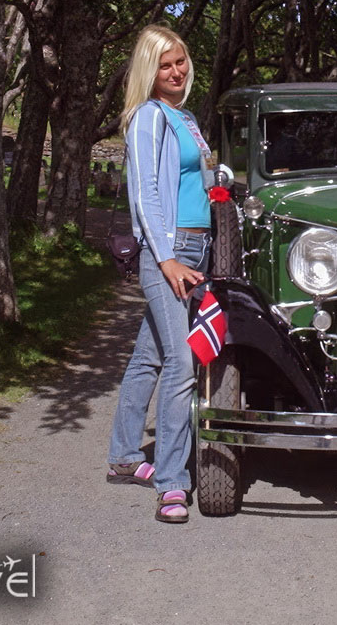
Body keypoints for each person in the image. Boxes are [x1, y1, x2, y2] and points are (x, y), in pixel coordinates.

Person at [106, 25, 213, 524]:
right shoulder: (148, 117)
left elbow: (197, 179)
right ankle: (172, 483)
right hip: (169, 251)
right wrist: (166, 257)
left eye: (181, 61)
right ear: (150, 71)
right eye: (165, 64)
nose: (176, 71)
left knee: (148, 356)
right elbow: (146, 193)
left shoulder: (185, 117)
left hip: (197, 247)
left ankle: (125, 457)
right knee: (180, 363)